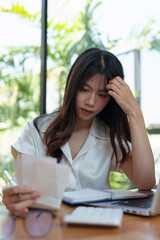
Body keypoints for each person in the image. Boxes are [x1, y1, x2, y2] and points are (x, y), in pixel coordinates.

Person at [2, 47, 155, 216]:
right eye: (84, 89)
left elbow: (146, 182)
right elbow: (19, 189)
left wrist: (135, 113)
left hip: (95, 230)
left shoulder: (109, 136)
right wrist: (14, 198)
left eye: (102, 94)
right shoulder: (36, 130)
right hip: (47, 229)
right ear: (72, 86)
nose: (91, 102)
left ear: (111, 97)